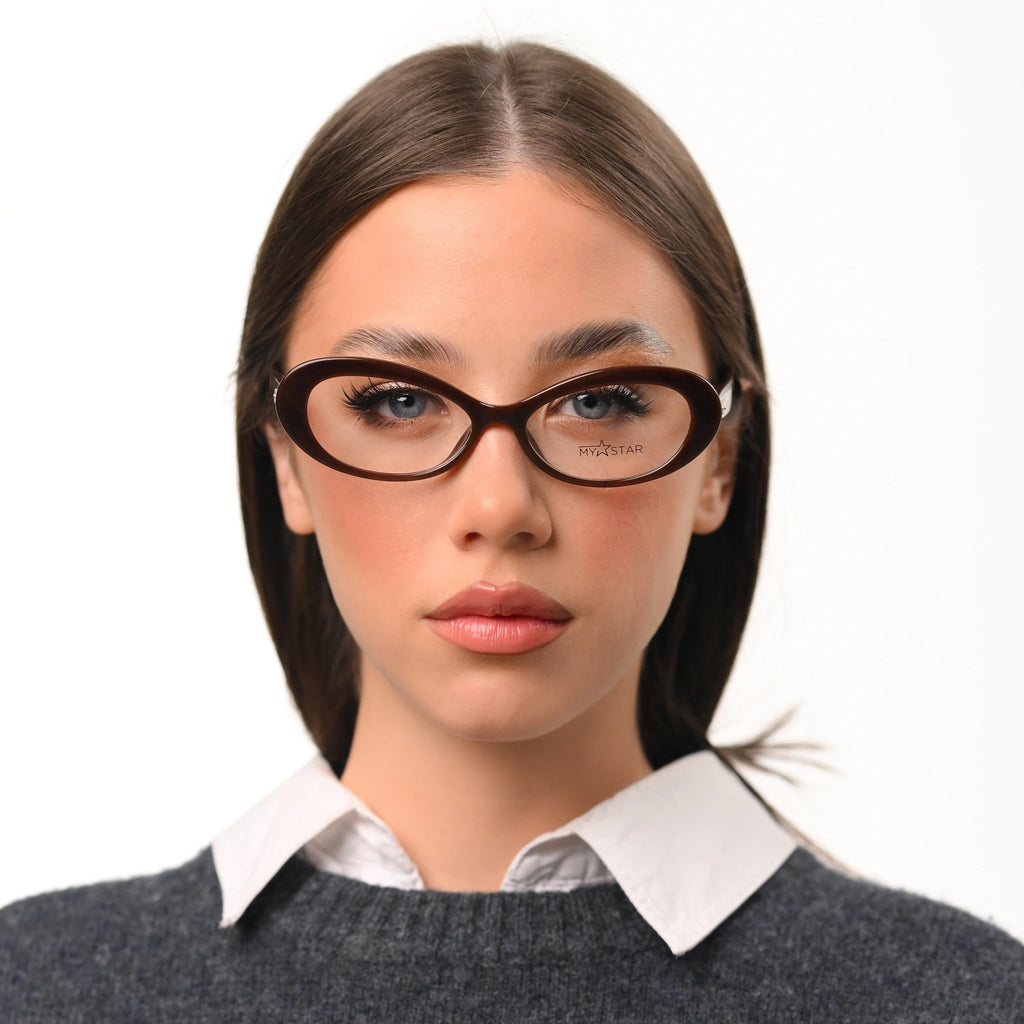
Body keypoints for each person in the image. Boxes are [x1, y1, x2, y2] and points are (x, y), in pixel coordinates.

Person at [2, 40, 1022, 1022]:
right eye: (398, 401)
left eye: (601, 401)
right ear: (285, 459)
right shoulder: (36, 989)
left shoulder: (964, 1000)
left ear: (718, 460)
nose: (500, 508)